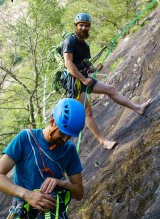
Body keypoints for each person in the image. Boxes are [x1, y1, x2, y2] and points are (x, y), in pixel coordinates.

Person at [0, 98, 86, 219]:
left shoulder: (69, 150)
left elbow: (79, 193)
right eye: (63, 134)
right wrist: (27, 195)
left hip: (54, 218)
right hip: (23, 217)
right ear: (52, 121)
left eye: (70, 136)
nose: (66, 140)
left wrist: (62, 183)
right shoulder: (25, 139)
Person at [61, 12, 151, 149]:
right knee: (87, 112)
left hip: (84, 78)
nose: (83, 28)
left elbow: (84, 64)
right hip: (75, 83)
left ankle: (138, 108)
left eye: (86, 26)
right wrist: (84, 79)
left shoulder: (84, 45)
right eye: (81, 25)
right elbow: (68, 64)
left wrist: (94, 68)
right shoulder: (70, 41)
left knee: (111, 90)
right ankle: (103, 142)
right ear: (75, 26)